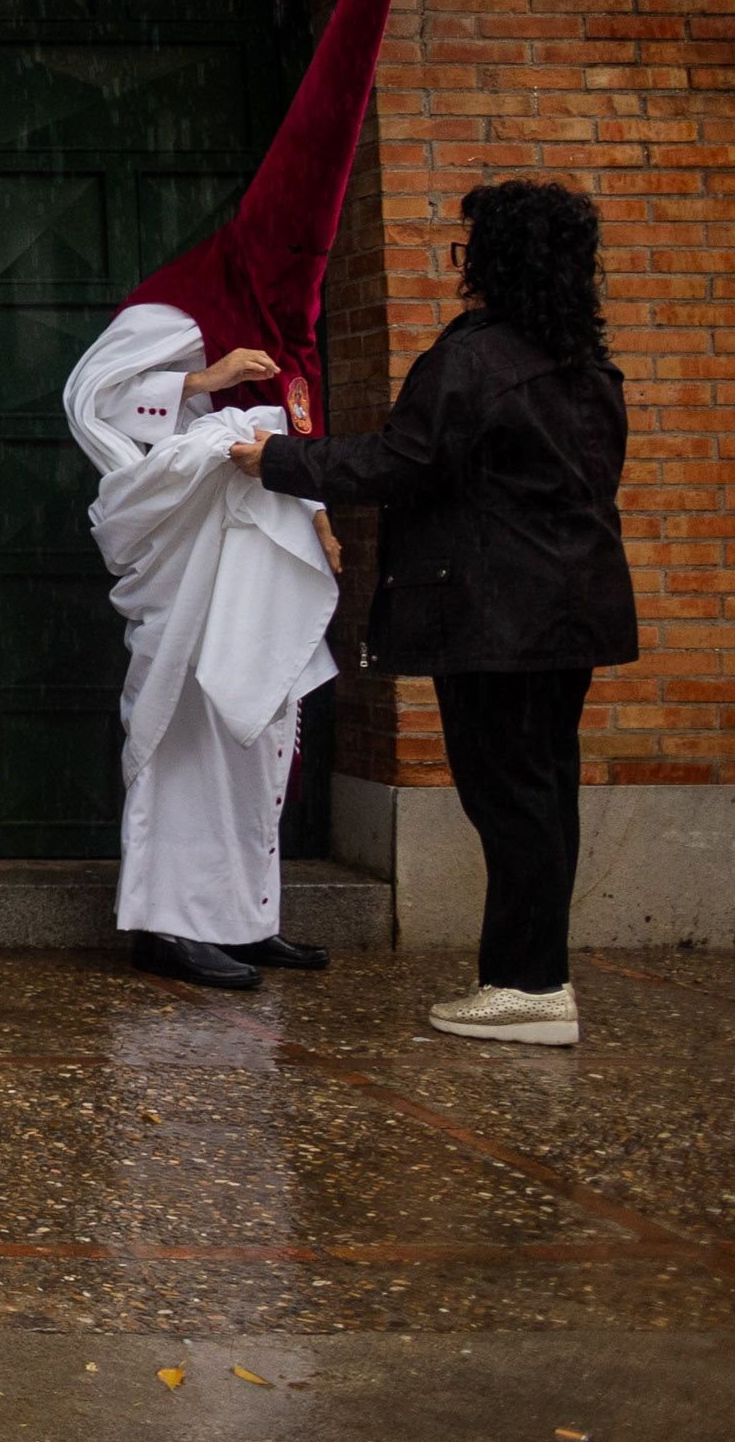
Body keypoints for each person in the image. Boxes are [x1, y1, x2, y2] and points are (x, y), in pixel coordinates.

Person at [62, 0, 424, 994]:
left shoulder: (294, 327)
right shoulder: (184, 305)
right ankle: (171, 917)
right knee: (189, 735)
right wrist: (205, 395)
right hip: (194, 565)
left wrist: (304, 498)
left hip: (261, 556)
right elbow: (92, 403)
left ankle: (247, 909)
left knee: (266, 728)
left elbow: (299, 439)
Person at [246, 179, 633, 1048]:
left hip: (496, 620)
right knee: (543, 793)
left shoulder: (476, 359)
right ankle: (533, 976)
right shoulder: (587, 364)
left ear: (495, 260)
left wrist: (275, 458)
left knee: (510, 797)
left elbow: (396, 462)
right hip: (569, 615)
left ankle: (530, 988)